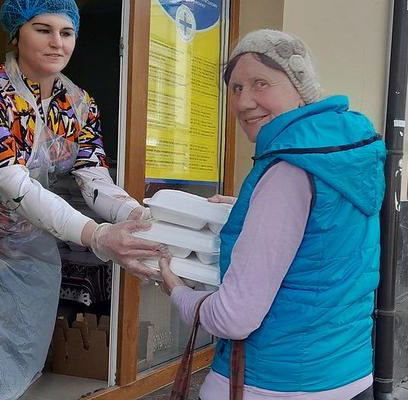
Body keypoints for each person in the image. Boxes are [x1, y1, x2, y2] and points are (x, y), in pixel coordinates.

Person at [156, 30, 384, 399]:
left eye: (261, 83)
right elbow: (324, 236)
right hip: (348, 372)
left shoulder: (288, 170)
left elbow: (234, 317)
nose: (245, 102)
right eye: (236, 88)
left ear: (301, 89)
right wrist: (248, 209)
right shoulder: (341, 156)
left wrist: (177, 291)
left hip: (277, 381)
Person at [0, 1, 164, 398]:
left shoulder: (79, 103)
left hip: (35, 256)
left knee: (24, 371)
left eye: (66, 32)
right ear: (17, 32)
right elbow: (13, 185)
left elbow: (92, 176)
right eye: (43, 29)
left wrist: (137, 215)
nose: (57, 42)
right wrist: (97, 236)